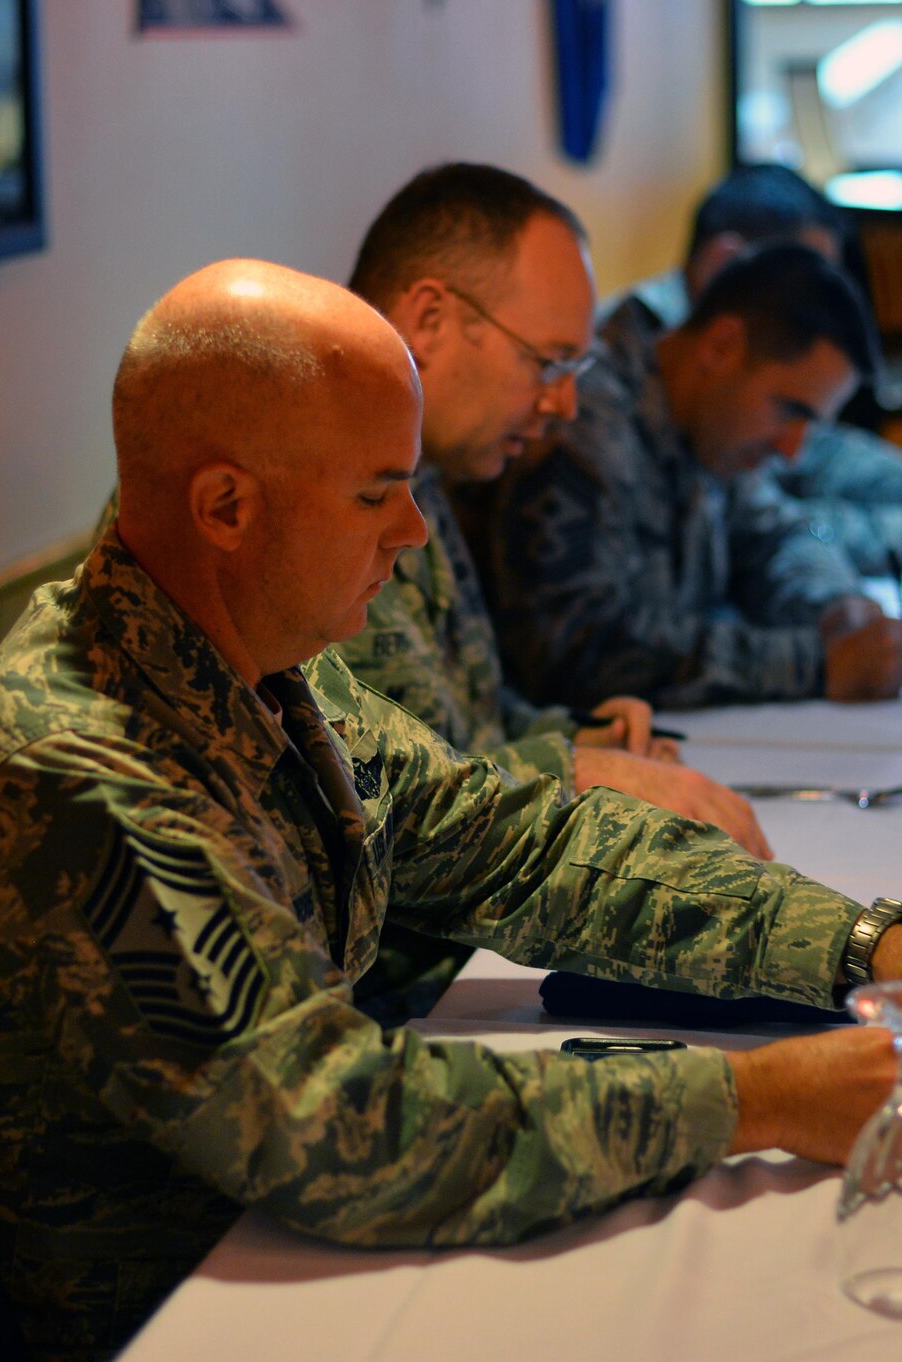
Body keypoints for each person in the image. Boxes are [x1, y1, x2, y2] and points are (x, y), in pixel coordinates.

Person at [0, 258, 902, 1359]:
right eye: (373, 495)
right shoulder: (81, 773)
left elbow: (517, 842)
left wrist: (866, 948)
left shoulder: (249, 660)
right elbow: (341, 1127)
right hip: (178, 1316)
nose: (413, 531)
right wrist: (755, 1100)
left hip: (279, 1258)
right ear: (224, 509)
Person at [337, 164, 772, 1021]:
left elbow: (463, 720)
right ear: (428, 319)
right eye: (549, 361)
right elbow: (388, 804)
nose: (565, 402)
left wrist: (578, 736)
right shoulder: (322, 488)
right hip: (381, 1002)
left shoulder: (421, 469)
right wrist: (578, 768)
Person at [466, 242, 902, 710]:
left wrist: (835, 609)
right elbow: (574, 653)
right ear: (721, 348)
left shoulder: (707, 432)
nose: (792, 450)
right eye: (789, 411)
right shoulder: (579, 425)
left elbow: (773, 536)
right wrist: (815, 664)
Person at [621, 164, 902, 570]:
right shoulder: (635, 369)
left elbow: (819, 454)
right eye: (804, 278)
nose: (822, 301)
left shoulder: (740, 362)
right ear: (725, 263)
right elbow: (749, 533)